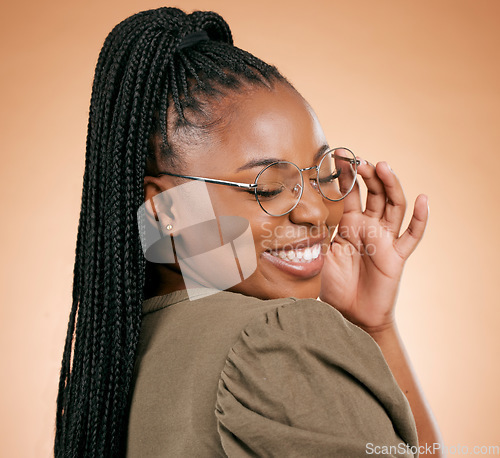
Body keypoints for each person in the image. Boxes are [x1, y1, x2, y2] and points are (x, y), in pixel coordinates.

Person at [54, 7, 444, 457]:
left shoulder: (123, 359)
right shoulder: (278, 343)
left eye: (320, 174)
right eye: (270, 187)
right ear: (166, 210)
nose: (316, 211)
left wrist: (371, 326)